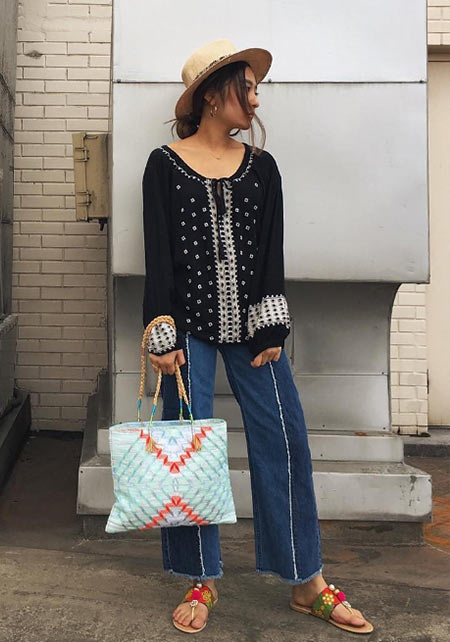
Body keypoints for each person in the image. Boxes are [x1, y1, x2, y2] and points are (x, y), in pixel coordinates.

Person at [142, 38, 373, 635]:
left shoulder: (262, 167)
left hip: (253, 329)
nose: (255, 99)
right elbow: (159, 255)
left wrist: (271, 320)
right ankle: (200, 577)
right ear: (213, 94)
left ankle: (306, 580)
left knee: (285, 438)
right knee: (189, 448)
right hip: (187, 328)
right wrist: (162, 331)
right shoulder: (163, 165)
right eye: (246, 88)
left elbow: (271, 250)